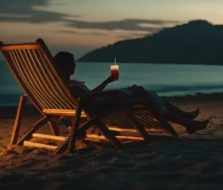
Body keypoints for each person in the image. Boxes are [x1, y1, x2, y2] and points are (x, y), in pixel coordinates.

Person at [53, 51, 209, 134]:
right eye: (72, 64)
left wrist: (107, 81)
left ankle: (186, 120)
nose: (75, 66)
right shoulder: (71, 86)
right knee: (144, 94)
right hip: (107, 104)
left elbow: (87, 98)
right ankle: (187, 121)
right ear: (64, 66)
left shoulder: (62, 85)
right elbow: (89, 100)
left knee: (147, 95)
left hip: (98, 103)